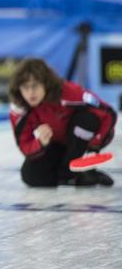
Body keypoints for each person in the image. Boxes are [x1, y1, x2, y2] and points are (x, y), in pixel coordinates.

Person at [8, 58, 116, 187]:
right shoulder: (19, 109)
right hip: (56, 144)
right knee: (30, 176)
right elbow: (25, 145)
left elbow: (108, 113)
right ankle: (80, 177)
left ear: (46, 83)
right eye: (25, 87)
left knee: (86, 120)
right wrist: (40, 143)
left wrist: (94, 146)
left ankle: (75, 172)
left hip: (82, 144)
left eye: (35, 85)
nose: (31, 93)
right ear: (18, 89)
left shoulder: (68, 92)